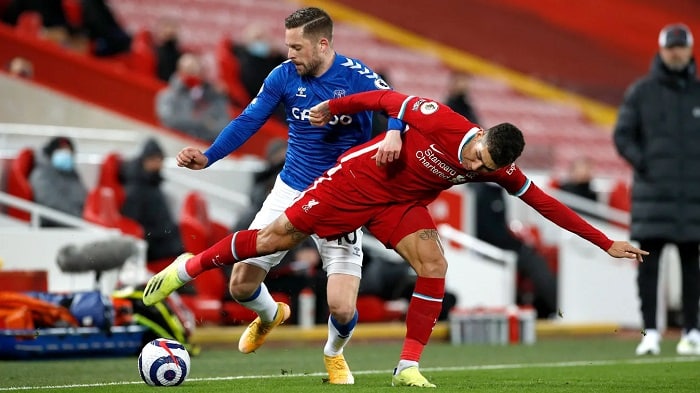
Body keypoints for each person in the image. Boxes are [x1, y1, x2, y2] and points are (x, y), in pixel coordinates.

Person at [144, 89, 648, 387]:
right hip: (356, 182)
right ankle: (187, 266)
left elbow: (544, 202)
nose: (475, 169)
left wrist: (606, 244)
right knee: (273, 238)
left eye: (487, 168)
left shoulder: (498, 167)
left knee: (434, 266)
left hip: (399, 206)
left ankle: (407, 367)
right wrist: (343, 112)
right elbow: (388, 99)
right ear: (481, 136)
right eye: (477, 160)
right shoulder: (445, 121)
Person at [150, 7, 400, 385]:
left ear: (322, 44)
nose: (289, 54)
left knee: (342, 307)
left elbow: (399, 105)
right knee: (240, 286)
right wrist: (209, 156)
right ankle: (270, 315)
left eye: (296, 47)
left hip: (341, 197)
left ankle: (333, 353)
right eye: (287, 46)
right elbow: (248, 121)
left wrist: (394, 133)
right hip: (291, 189)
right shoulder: (283, 76)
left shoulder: (355, 76)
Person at [613, 23, 700, 356]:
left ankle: (692, 331)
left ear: (690, 50)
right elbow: (623, 136)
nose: (676, 52)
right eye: (671, 47)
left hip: (692, 199)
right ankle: (650, 333)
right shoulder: (641, 92)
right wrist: (646, 164)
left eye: (681, 46)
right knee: (648, 268)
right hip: (653, 197)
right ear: (661, 50)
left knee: (692, 269)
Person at [471, 182, 557, 318]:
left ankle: (546, 308)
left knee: (535, 258)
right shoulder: (483, 194)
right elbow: (489, 233)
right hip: (493, 251)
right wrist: (519, 245)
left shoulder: (495, 192)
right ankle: (557, 308)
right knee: (534, 261)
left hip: (504, 249)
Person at [120, 138, 185, 266]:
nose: (158, 163)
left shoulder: (153, 183)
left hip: (165, 239)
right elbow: (133, 224)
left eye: (160, 159)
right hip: (154, 246)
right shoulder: (136, 190)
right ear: (145, 160)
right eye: (154, 159)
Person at [155, 53, 231, 142]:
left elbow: (223, 129)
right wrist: (204, 123)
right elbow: (170, 120)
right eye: (188, 70)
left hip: (201, 149)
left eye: (194, 71)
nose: (191, 75)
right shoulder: (166, 96)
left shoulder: (214, 97)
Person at [28, 136, 87, 227]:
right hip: (53, 225)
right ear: (51, 153)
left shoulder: (72, 174)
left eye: (69, 152)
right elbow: (49, 203)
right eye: (61, 151)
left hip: (75, 221)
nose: (66, 154)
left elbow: (82, 196)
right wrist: (79, 217)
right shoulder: (41, 175)